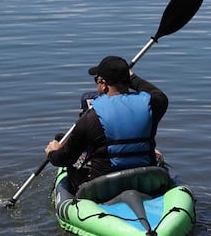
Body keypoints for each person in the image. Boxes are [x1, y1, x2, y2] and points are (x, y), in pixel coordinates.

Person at [44, 55, 168, 192]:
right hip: (145, 180)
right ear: (128, 80)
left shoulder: (90, 118)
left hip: (106, 186)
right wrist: (131, 77)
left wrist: (53, 152)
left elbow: (64, 159)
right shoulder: (153, 105)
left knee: (62, 141)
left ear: (103, 83)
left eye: (96, 80)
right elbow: (157, 93)